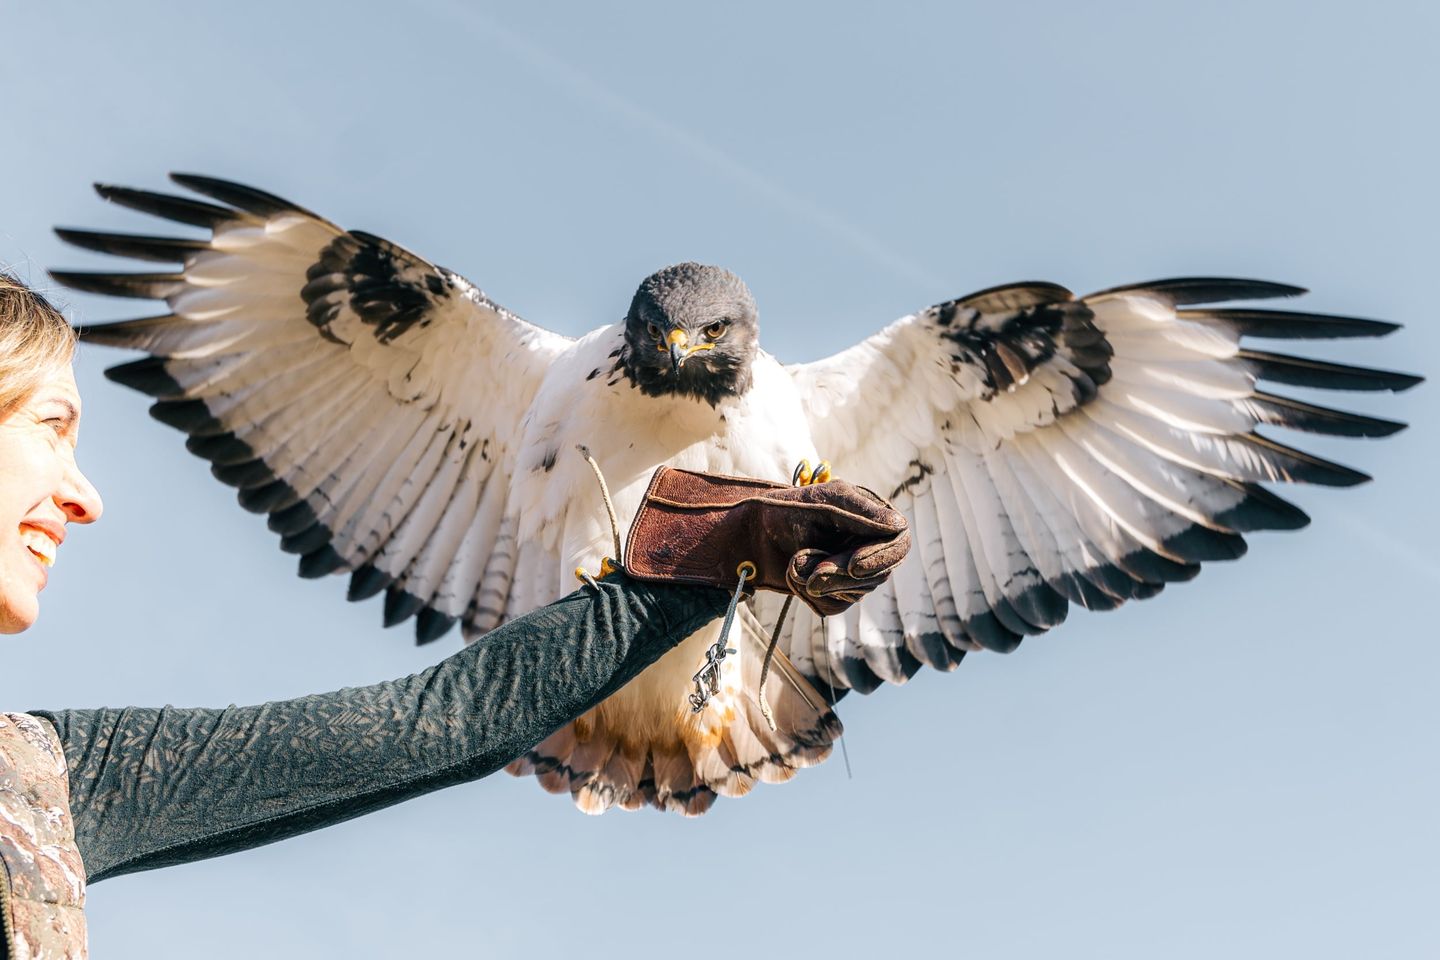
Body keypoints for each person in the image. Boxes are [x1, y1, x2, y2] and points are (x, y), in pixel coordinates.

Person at [0, 273, 908, 959]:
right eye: (49, 425)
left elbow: (435, 727)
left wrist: (702, 565)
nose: (87, 498)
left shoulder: (53, 778)